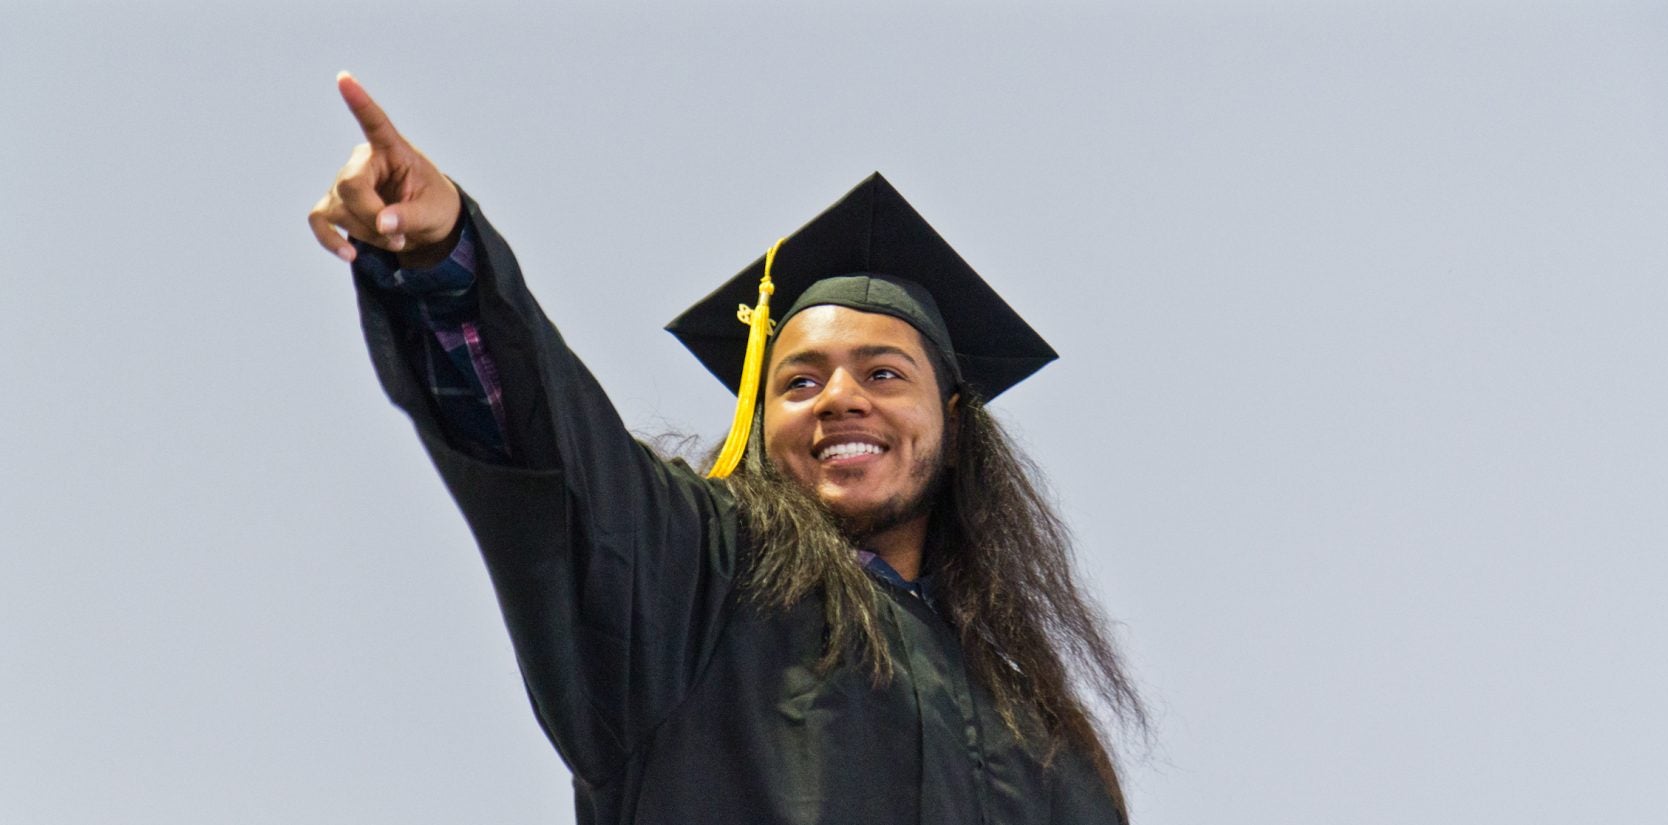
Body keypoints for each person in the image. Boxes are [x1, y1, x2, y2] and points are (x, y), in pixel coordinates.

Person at [310, 71, 1146, 824]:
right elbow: (559, 465)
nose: (841, 398)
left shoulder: (1041, 740)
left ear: (956, 426)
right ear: (759, 419)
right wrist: (440, 261)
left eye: (884, 373)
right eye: (800, 381)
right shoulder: (694, 589)